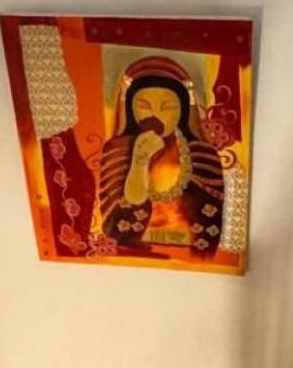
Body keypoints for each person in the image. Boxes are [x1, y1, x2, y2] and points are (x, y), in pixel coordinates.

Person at [94, 56, 226, 258]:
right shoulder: (117, 150)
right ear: (130, 108)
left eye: (168, 107)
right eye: (144, 105)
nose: (155, 114)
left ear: (183, 111)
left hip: (188, 255)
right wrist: (139, 161)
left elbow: (211, 223)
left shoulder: (203, 155)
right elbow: (115, 227)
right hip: (134, 255)